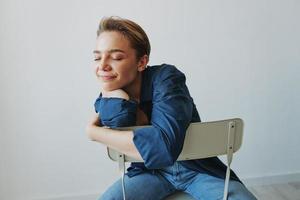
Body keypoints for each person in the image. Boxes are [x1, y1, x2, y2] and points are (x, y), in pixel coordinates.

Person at [86, 16, 257, 200]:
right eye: (97, 57)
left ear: (141, 62)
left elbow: (165, 148)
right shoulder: (110, 94)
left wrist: (93, 133)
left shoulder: (166, 78)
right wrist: (115, 94)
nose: (102, 66)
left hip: (196, 170)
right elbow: (120, 119)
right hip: (149, 173)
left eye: (116, 57)